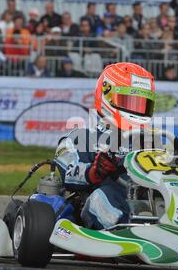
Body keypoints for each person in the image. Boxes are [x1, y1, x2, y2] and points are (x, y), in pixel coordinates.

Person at [54, 62, 158, 230]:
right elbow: (67, 172)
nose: (136, 109)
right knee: (104, 195)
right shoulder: (81, 137)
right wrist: (95, 171)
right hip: (105, 201)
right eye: (129, 101)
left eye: (142, 104)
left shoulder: (152, 140)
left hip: (149, 201)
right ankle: (130, 230)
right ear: (106, 96)